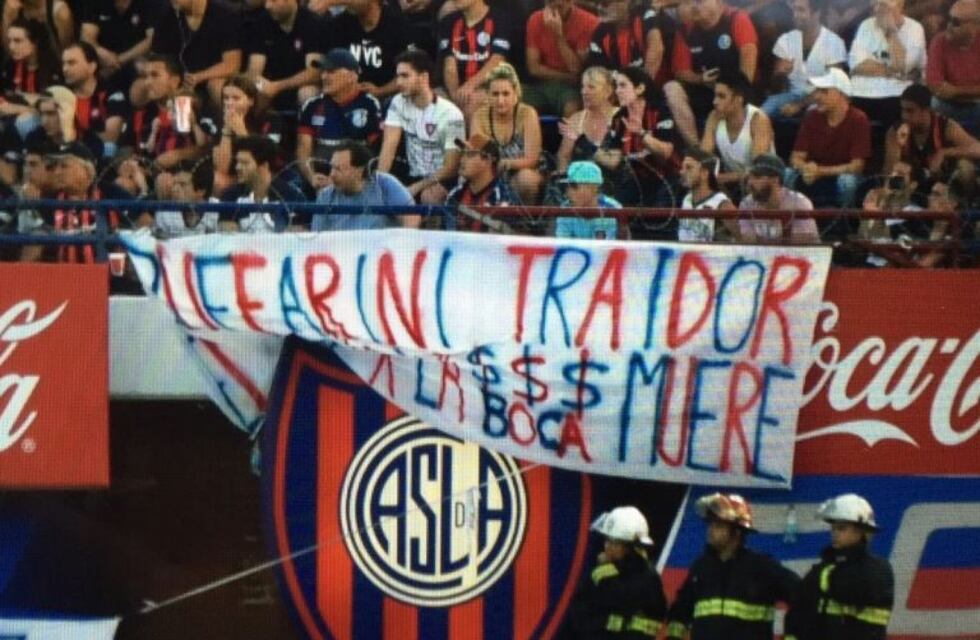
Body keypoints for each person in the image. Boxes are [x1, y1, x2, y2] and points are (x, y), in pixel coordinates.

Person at [665, 493, 800, 640]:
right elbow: (680, 612)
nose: (710, 530)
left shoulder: (762, 568)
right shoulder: (701, 568)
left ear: (736, 532)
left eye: (718, 525)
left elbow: (803, 599)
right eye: (710, 524)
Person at [785, 494, 894, 640]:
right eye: (833, 528)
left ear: (861, 531)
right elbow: (797, 613)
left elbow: (846, 590)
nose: (834, 533)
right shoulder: (825, 567)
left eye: (842, 528)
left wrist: (824, 574)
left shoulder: (878, 570)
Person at [665, 0, 759, 147]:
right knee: (671, 88)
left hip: (735, 91)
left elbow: (748, 60)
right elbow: (680, 71)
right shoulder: (686, 29)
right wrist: (700, 79)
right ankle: (697, 149)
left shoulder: (736, 18)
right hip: (706, 89)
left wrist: (735, 92)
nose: (694, 6)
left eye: (700, 1)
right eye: (691, 2)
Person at [564, 505, 667, 639]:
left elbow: (655, 617)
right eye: (607, 540)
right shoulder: (601, 573)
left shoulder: (647, 579)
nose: (608, 547)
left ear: (631, 547)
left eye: (615, 543)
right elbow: (578, 613)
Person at [379, 50, 466, 205]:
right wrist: (379, 185)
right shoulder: (398, 102)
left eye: (405, 76)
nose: (398, 82)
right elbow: (388, 147)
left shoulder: (452, 114)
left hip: (443, 179)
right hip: (411, 174)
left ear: (424, 77)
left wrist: (416, 187)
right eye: (398, 76)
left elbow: (452, 167)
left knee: (429, 197)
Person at [22, 141, 133, 263]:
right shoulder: (51, 200)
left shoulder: (110, 193)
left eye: (64, 166)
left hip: (105, 276)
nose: (57, 172)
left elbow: (144, 225)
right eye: (56, 167)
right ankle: (19, 280)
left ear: (85, 169)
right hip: (63, 277)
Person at [296, 49, 383, 194]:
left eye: (331, 71)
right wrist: (311, 177)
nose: (324, 76)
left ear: (351, 76)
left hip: (356, 182)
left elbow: (376, 152)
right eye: (323, 71)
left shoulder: (369, 105)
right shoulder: (312, 106)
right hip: (319, 180)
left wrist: (343, 179)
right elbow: (303, 150)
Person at [596, 66, 681, 208]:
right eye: (616, 86)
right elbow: (614, 160)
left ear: (640, 88)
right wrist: (588, 146)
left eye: (623, 85)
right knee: (616, 209)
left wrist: (641, 133)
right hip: (636, 181)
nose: (617, 91)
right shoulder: (619, 118)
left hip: (666, 178)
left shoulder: (659, 111)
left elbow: (666, 152)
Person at [789, 68, 871, 211]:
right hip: (813, 175)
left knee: (848, 181)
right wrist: (806, 168)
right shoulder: (811, 116)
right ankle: (793, 222)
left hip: (839, 176)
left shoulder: (858, 119)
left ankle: (845, 225)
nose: (817, 96)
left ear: (841, 94)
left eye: (824, 91)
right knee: (787, 174)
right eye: (817, 91)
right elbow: (796, 157)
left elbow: (856, 166)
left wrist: (820, 171)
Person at [469, 63, 544, 204]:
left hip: (523, 170)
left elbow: (532, 159)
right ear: (487, 95)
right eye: (495, 94)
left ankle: (524, 223)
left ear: (516, 94)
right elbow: (477, 156)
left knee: (527, 179)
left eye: (506, 94)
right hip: (490, 173)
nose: (500, 100)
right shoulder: (479, 116)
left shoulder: (528, 114)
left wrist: (507, 163)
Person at [762, 0, 847, 121]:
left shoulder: (833, 43)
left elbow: (832, 87)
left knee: (812, 114)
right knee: (763, 111)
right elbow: (775, 90)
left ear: (816, 13)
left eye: (801, 10)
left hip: (819, 98)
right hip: (791, 95)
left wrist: (799, 105)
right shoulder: (786, 40)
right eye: (794, 10)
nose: (795, 15)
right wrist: (779, 75)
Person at [848, 0, 926, 131]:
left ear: (900, 6)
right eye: (875, 5)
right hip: (860, 92)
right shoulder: (866, 25)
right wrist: (893, 72)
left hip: (896, 95)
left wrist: (891, 32)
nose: (876, 10)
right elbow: (856, 65)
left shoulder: (915, 28)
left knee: (896, 121)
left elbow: (903, 66)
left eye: (883, 5)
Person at [150, 0, 244, 108]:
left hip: (210, 80)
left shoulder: (225, 15)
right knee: (145, 85)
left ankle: (231, 124)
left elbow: (232, 65)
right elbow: (157, 57)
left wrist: (199, 77)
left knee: (216, 86)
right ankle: (158, 122)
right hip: (180, 81)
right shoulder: (168, 14)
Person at [884, 83, 980, 186]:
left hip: (942, 184)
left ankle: (962, 201)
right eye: (903, 110)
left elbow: (977, 149)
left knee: (965, 168)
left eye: (910, 111)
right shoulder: (895, 131)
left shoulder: (946, 127)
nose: (904, 116)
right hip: (909, 185)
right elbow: (888, 173)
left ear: (926, 110)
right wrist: (898, 149)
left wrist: (945, 153)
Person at [312, 139, 418, 231]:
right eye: (332, 167)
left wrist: (401, 244)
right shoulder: (326, 196)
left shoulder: (384, 184)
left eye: (338, 169)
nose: (332, 174)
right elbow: (318, 237)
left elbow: (412, 216)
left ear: (359, 171)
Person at [437, 0, 515, 117]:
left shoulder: (500, 19)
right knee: (432, 100)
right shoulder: (448, 22)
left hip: (487, 86)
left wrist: (470, 85)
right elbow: (449, 66)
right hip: (455, 88)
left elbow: (497, 60)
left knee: (472, 104)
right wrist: (455, 97)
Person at [701, 71, 774, 190]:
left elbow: (758, 169)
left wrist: (721, 178)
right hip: (733, 185)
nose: (715, 102)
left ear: (738, 99)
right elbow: (703, 158)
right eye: (715, 96)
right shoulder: (714, 117)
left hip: (763, 188)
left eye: (721, 96)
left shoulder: (758, 119)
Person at [524, 0, 598, 117]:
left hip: (570, 89)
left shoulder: (589, 22)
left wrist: (558, 36)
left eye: (561, 3)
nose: (556, 6)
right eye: (551, 2)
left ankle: (570, 135)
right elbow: (534, 68)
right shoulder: (535, 19)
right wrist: (567, 77)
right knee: (508, 100)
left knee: (572, 108)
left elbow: (577, 69)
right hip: (542, 84)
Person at [244, 0, 322, 112]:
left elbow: (314, 73)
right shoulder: (261, 22)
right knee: (254, 91)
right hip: (270, 85)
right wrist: (260, 83)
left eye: (273, 1)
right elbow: (254, 71)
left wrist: (278, 86)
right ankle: (252, 127)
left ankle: (306, 129)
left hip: (301, 85)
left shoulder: (313, 23)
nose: (267, 6)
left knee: (307, 93)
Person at [219, 136, 307, 233]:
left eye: (244, 163)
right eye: (237, 162)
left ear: (264, 166)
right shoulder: (230, 196)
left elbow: (296, 239)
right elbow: (228, 237)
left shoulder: (292, 197)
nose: (237, 167)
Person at [214, 74, 285, 194]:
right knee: (218, 180)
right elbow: (222, 168)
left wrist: (241, 131)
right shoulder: (221, 122)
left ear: (250, 101)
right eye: (226, 98)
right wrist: (226, 130)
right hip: (236, 175)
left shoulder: (270, 119)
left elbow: (268, 158)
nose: (229, 103)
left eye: (236, 98)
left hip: (264, 175)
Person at [328, 0, 414, 99]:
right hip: (347, 94)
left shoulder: (398, 25)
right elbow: (331, 67)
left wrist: (381, 91)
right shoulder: (340, 23)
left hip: (387, 96)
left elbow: (410, 72)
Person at [61, 41, 127, 159]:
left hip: (99, 156)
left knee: (109, 148)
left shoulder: (112, 95)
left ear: (92, 67)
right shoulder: (62, 96)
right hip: (68, 156)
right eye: (64, 63)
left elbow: (111, 137)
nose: (65, 69)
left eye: (71, 63)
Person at [926, 0, 980, 138]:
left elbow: (948, 91)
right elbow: (936, 87)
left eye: (956, 22)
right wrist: (973, 91)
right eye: (948, 19)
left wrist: (955, 91)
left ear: (974, 26)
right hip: (946, 105)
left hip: (976, 104)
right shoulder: (939, 41)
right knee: (935, 104)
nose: (949, 26)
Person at [1, 18, 60, 142]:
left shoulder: (53, 69)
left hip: (43, 122)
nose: (11, 46)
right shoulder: (10, 66)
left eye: (17, 41)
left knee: (25, 122)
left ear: (35, 43)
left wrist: (21, 108)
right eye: (9, 40)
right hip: (13, 116)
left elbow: (54, 106)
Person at [739, 152, 820, 243]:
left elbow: (801, 246)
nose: (750, 183)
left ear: (775, 180)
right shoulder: (746, 204)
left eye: (757, 177)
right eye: (749, 178)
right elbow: (748, 243)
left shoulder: (799, 203)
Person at [584, 0, 668, 87]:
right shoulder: (600, 32)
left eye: (605, 4)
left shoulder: (645, 13)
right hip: (621, 91)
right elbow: (598, 71)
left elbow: (656, 48)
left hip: (656, 86)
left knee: (672, 88)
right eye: (597, 4)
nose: (600, 8)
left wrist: (642, 87)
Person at [78, 0, 154, 92]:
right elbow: (86, 37)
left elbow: (151, 40)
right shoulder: (95, 3)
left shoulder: (149, 3)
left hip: (134, 58)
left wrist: (119, 60)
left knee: (144, 68)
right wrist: (100, 52)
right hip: (103, 62)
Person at [556, 66, 618, 174]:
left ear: (608, 91)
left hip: (612, 183)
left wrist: (581, 140)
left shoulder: (620, 117)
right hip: (580, 181)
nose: (584, 92)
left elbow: (614, 163)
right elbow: (563, 156)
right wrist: (565, 178)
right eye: (583, 87)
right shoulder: (576, 119)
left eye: (591, 87)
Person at [554, 159, 623, 239]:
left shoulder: (612, 209)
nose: (568, 192)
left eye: (574, 186)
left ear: (594, 188)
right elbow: (563, 246)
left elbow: (605, 249)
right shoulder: (565, 209)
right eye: (567, 187)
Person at [679, 147, 735, 242]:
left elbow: (742, 237)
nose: (682, 172)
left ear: (704, 173)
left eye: (689, 168)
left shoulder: (721, 204)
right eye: (682, 168)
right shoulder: (687, 199)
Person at [153, 160, 219, 238]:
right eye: (174, 183)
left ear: (201, 190)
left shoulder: (218, 212)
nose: (175, 189)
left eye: (182, 184)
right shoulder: (165, 213)